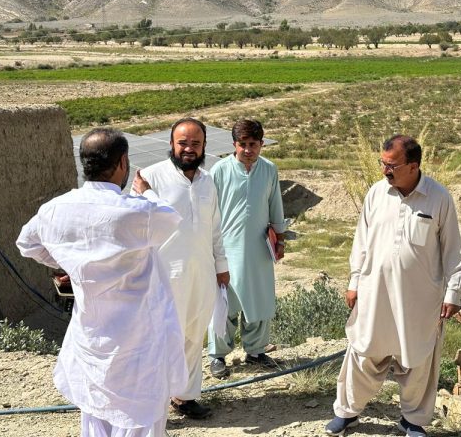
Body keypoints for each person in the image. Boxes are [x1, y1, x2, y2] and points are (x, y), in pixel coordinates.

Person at [17, 127, 187, 437]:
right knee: (142, 416)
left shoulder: (55, 209)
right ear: (123, 162)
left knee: (96, 412)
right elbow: (171, 218)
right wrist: (145, 191)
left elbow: (27, 244)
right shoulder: (135, 212)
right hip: (138, 339)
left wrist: (69, 261)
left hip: (92, 334)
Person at [325, 135, 461, 437]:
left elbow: (453, 249)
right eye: (383, 163)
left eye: (392, 165)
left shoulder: (439, 198)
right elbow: (361, 241)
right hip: (374, 291)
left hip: (419, 299)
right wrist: (354, 282)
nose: (384, 171)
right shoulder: (376, 194)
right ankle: (347, 412)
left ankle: (413, 420)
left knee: (418, 359)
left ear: (413, 166)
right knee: (363, 352)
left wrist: (453, 292)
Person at [132, 117, 230, 420]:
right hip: (162, 277)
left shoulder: (208, 180)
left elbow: (215, 228)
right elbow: (135, 227)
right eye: (183, 143)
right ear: (172, 144)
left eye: (195, 143)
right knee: (159, 340)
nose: (189, 149)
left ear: (204, 146)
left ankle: (184, 397)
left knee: (192, 335)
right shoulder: (150, 177)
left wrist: (221, 266)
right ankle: (151, 405)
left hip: (200, 273)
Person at [207, 118, 286, 378]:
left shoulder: (269, 170)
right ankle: (218, 356)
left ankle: (255, 351)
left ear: (262, 144)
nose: (248, 150)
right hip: (227, 248)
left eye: (253, 144)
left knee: (259, 300)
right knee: (225, 303)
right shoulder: (219, 170)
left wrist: (280, 238)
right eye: (243, 144)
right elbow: (211, 211)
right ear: (234, 145)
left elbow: (275, 204)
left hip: (259, 247)